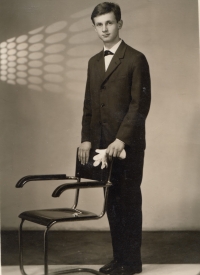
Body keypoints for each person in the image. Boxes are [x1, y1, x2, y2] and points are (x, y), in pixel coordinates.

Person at [78, 2, 151, 275]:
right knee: (112, 204)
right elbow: (88, 104)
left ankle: (132, 263)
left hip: (127, 146)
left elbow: (139, 104)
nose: (104, 29)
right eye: (99, 24)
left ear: (119, 24)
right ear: (95, 27)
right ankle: (119, 259)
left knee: (128, 201)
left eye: (109, 23)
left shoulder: (135, 58)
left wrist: (121, 139)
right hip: (100, 146)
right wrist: (86, 139)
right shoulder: (93, 62)